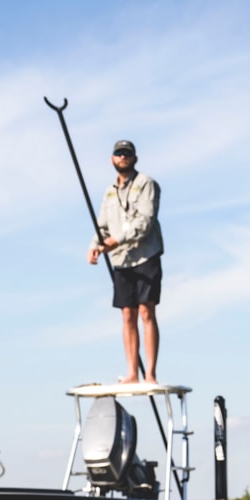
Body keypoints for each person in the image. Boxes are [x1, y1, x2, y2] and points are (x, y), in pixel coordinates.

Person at [88, 139, 164, 384]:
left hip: (145, 254)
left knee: (146, 310)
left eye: (127, 153)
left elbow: (145, 221)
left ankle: (150, 374)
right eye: (119, 153)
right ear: (112, 158)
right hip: (121, 260)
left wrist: (115, 240)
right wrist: (94, 246)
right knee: (127, 314)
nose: (123, 157)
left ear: (134, 158)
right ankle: (132, 372)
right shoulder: (109, 192)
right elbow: (102, 225)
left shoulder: (146, 183)